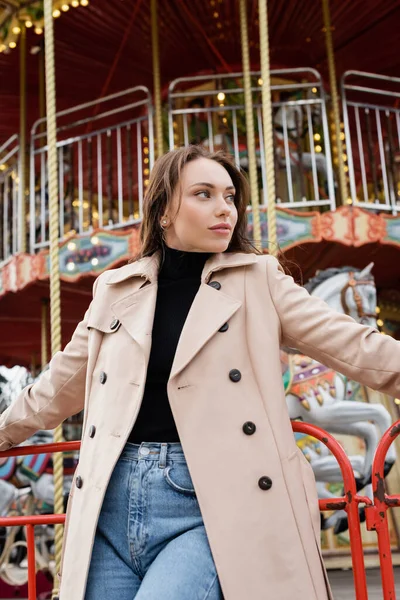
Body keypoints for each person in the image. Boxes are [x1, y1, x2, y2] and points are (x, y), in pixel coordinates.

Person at [0, 145, 400, 600]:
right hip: (110, 497)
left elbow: (355, 345)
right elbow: (59, 385)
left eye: (230, 197)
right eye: (204, 194)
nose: (224, 209)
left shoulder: (259, 279)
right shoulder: (115, 290)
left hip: (209, 497)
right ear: (164, 209)